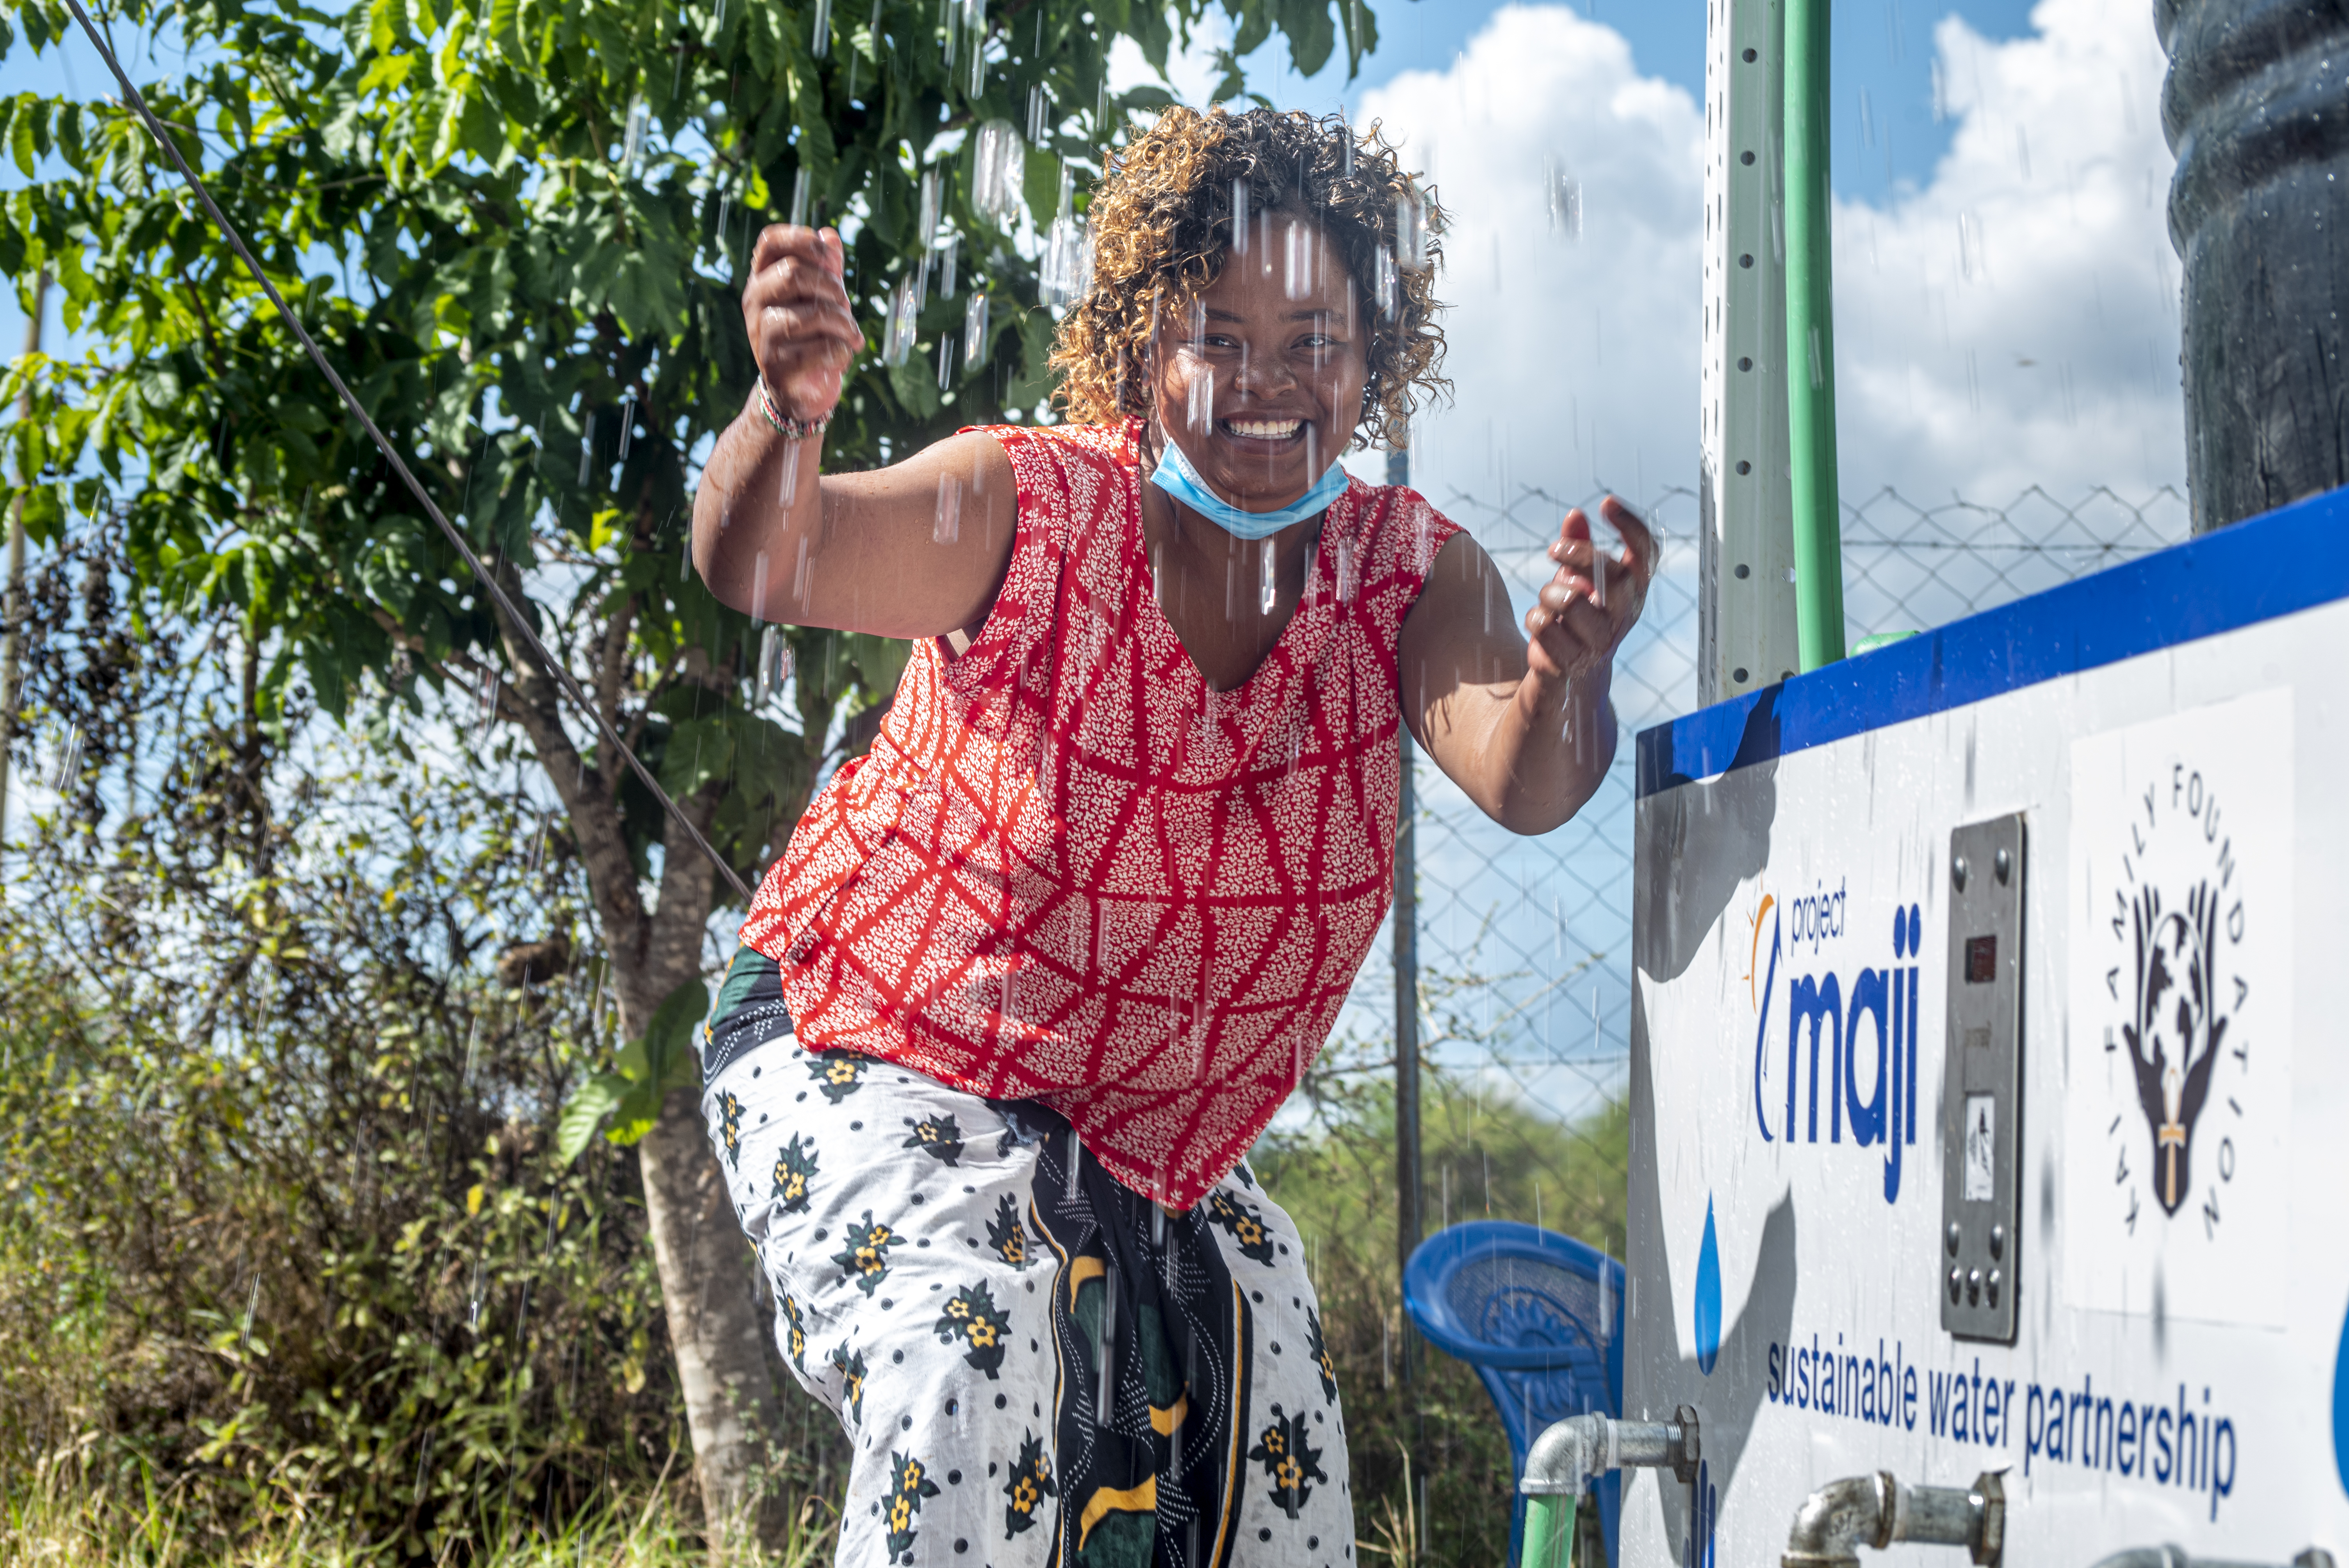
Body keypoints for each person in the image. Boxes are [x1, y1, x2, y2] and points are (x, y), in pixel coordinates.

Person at [689, 105, 1653, 1568]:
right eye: (1222, 333)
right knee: (968, 1336)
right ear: (1144, 345)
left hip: (1126, 1129)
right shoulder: (1029, 510)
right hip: (860, 1037)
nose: (1268, 385)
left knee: (1266, 1372)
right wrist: (788, 417)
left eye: (1316, 342)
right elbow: (767, 561)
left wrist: (1566, 671)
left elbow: (1521, 777)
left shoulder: (1402, 569)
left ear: (1374, 361)